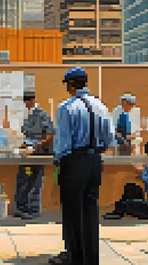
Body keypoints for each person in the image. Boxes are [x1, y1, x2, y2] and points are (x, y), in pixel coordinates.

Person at [51, 67, 115, 265]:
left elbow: (62, 142)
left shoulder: (66, 108)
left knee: (72, 211)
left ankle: (74, 256)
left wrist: (59, 163)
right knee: (90, 210)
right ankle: (91, 258)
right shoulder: (101, 106)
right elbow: (109, 138)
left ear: (71, 85)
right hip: (95, 161)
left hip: (74, 161)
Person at [103, 141, 148, 220]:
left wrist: (143, 175)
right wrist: (139, 172)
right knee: (130, 188)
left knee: (127, 205)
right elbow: (146, 177)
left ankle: (120, 211)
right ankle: (118, 212)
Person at [14, 91, 54, 220]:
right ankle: (22, 207)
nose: (26, 103)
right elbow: (28, 136)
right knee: (23, 180)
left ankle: (33, 209)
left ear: (32, 100)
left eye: (28, 101)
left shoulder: (41, 115)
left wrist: (35, 147)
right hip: (27, 154)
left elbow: (50, 135)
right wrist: (24, 146)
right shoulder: (28, 115)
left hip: (38, 154)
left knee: (35, 181)